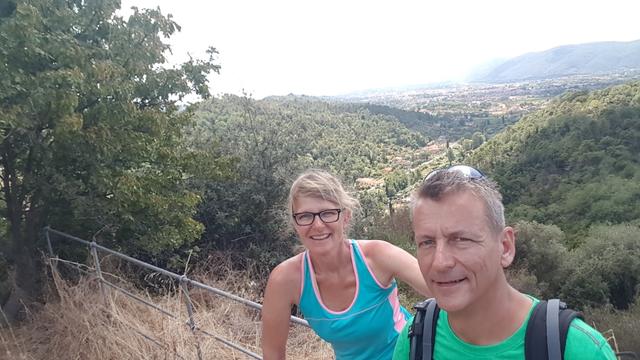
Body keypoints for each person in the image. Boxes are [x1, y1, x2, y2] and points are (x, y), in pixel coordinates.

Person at [393, 165, 616, 360]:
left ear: (505, 247)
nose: (440, 262)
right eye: (427, 242)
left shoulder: (578, 350)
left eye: (461, 240)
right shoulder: (415, 339)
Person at [261, 169, 430, 360]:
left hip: (407, 354)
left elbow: (439, 286)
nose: (317, 225)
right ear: (295, 223)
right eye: (305, 216)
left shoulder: (377, 256)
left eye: (328, 213)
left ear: (346, 217)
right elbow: (273, 353)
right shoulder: (286, 280)